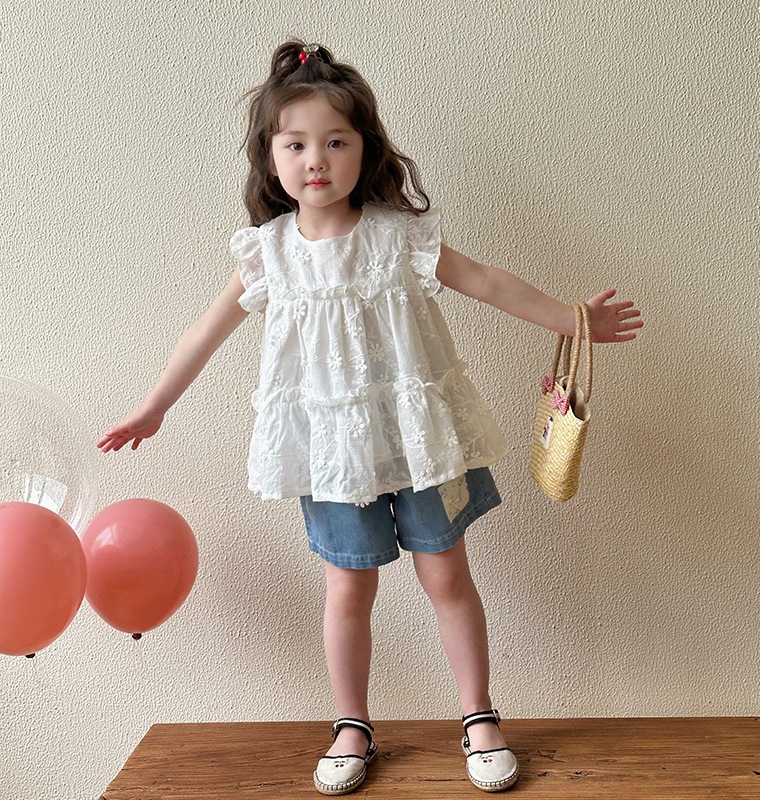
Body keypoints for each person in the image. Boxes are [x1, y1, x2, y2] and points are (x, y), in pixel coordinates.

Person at [98, 40, 642, 795]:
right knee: (348, 588)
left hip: (420, 443)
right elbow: (203, 333)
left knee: (446, 574)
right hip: (333, 455)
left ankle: (479, 716)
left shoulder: (398, 234)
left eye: (336, 141)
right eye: (296, 144)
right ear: (270, 158)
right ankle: (351, 724)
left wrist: (574, 319)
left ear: (365, 149)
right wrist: (154, 407)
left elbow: (486, 282)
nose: (316, 159)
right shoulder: (267, 254)